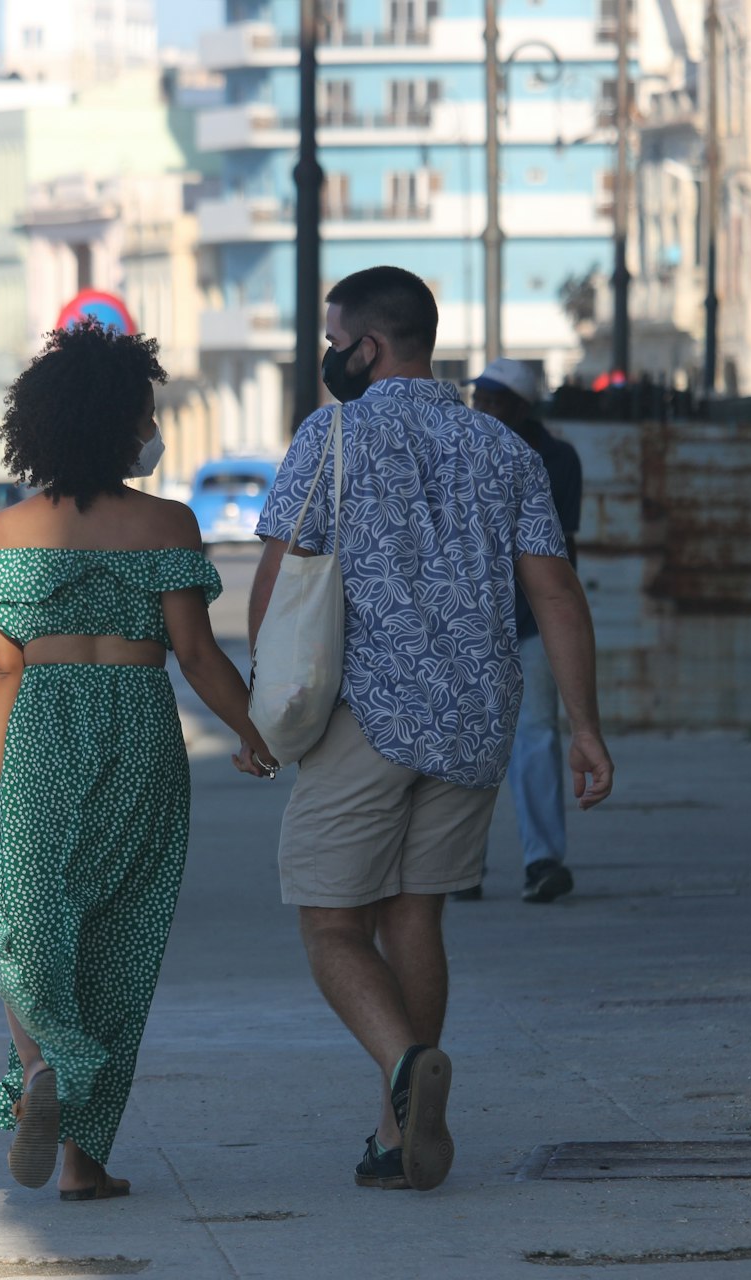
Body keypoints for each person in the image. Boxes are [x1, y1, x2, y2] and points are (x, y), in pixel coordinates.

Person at [249, 267, 615, 1193]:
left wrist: (265, 693)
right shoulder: (503, 449)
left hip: (360, 715)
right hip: (476, 716)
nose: (331, 355)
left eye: (336, 339)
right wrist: (585, 727)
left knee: (333, 927)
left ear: (368, 346)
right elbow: (557, 594)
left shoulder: (329, 436)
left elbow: (280, 579)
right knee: (417, 913)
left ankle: (406, 1065)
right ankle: (394, 1134)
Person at [0, 323, 278, 1202]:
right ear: (121, 425)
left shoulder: (5, 531)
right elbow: (197, 656)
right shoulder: (167, 523)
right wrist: (253, 730)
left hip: (41, 729)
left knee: (24, 918)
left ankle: (42, 1065)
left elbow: (0, 669)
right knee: (118, 945)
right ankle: (84, 1161)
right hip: (140, 736)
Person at [458, 357, 585, 904]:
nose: (483, 409)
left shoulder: (554, 459)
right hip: (468, 620)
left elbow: (551, 545)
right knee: (465, 745)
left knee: (534, 740)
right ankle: (460, 867)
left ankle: (543, 861)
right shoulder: (459, 449)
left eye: (495, 402)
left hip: (529, 620)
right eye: (479, 400)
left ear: (521, 408)